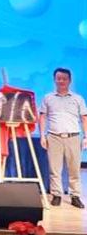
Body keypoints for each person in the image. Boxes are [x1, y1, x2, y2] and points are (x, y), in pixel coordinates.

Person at [39, 68, 87, 209]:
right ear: (55, 80)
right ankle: (56, 195)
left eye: (64, 79)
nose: (61, 81)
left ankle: (75, 196)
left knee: (74, 169)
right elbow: (42, 117)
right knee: (54, 169)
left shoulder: (78, 99)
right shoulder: (48, 98)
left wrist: (86, 137)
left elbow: (84, 118)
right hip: (54, 137)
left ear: (69, 80)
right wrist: (42, 136)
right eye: (58, 78)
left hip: (73, 137)